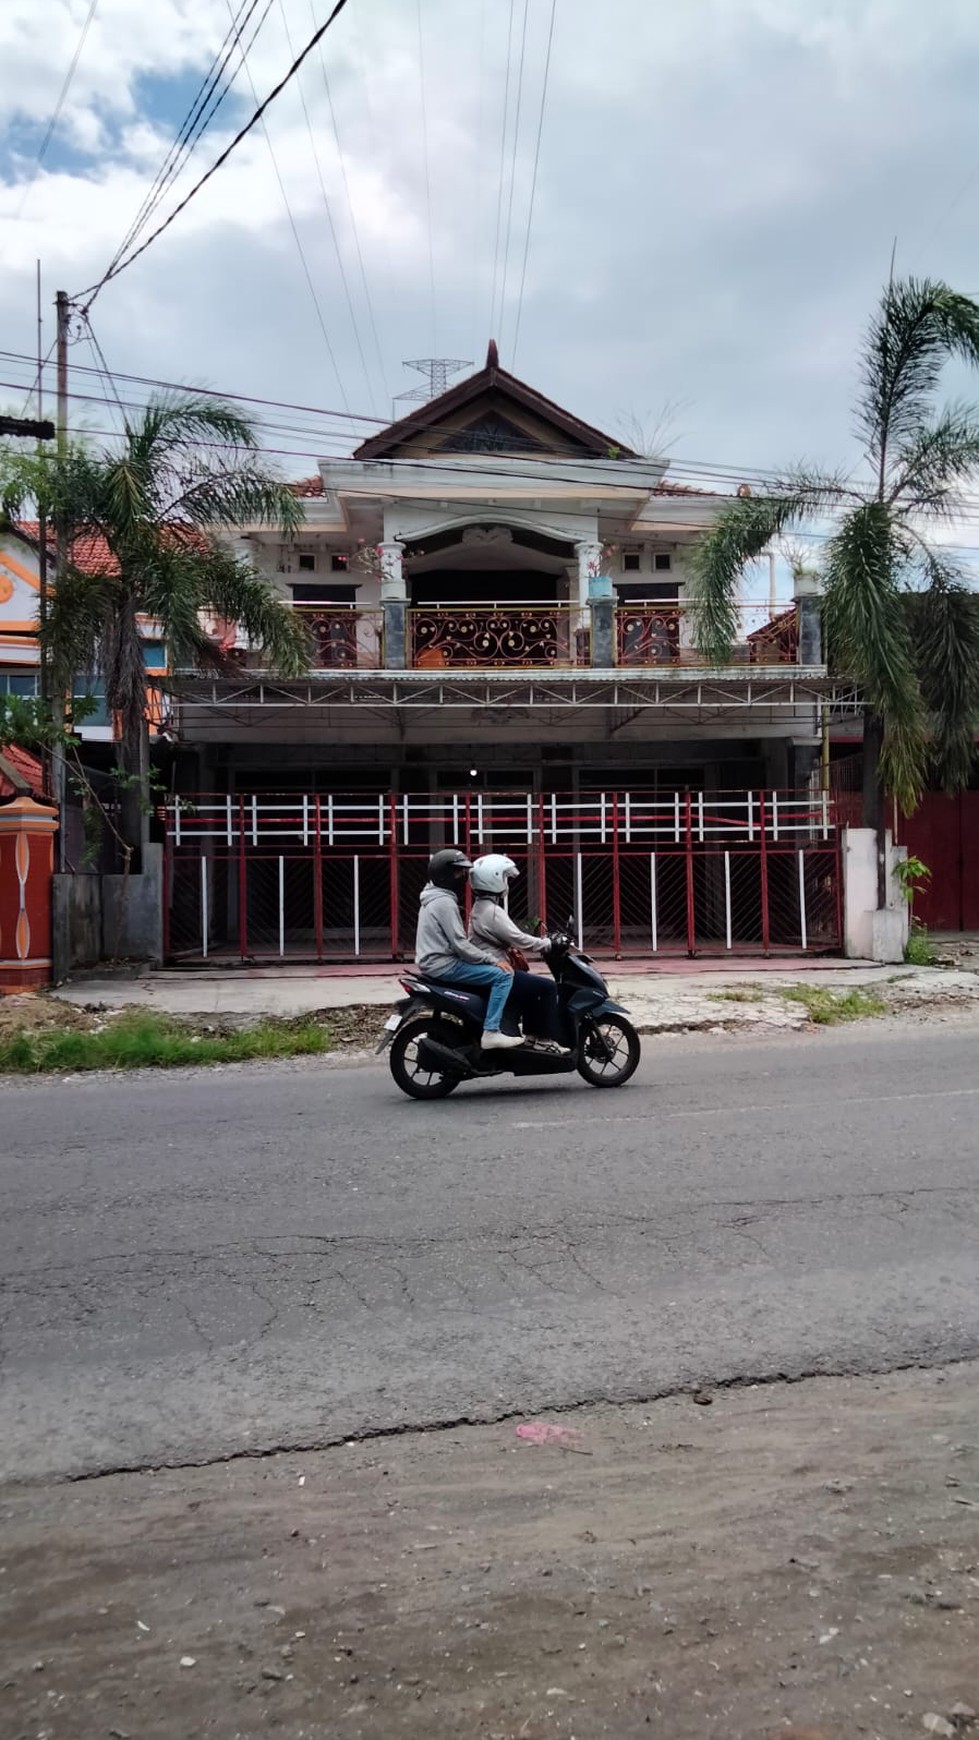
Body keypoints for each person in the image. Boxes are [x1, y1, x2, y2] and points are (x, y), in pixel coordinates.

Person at [415, 848, 523, 1051]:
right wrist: (492, 960)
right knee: (503, 975)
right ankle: (491, 1032)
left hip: (432, 962)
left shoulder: (431, 897)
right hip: (444, 965)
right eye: (459, 872)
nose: (464, 876)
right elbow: (460, 945)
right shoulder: (444, 902)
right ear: (445, 874)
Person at [467, 854, 567, 1050]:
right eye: (504, 877)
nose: (507, 882)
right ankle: (543, 1039)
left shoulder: (481, 907)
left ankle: (530, 1037)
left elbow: (510, 935)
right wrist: (546, 944)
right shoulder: (492, 912)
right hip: (496, 968)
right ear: (494, 879)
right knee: (547, 987)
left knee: (529, 985)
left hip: (489, 966)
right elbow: (519, 938)